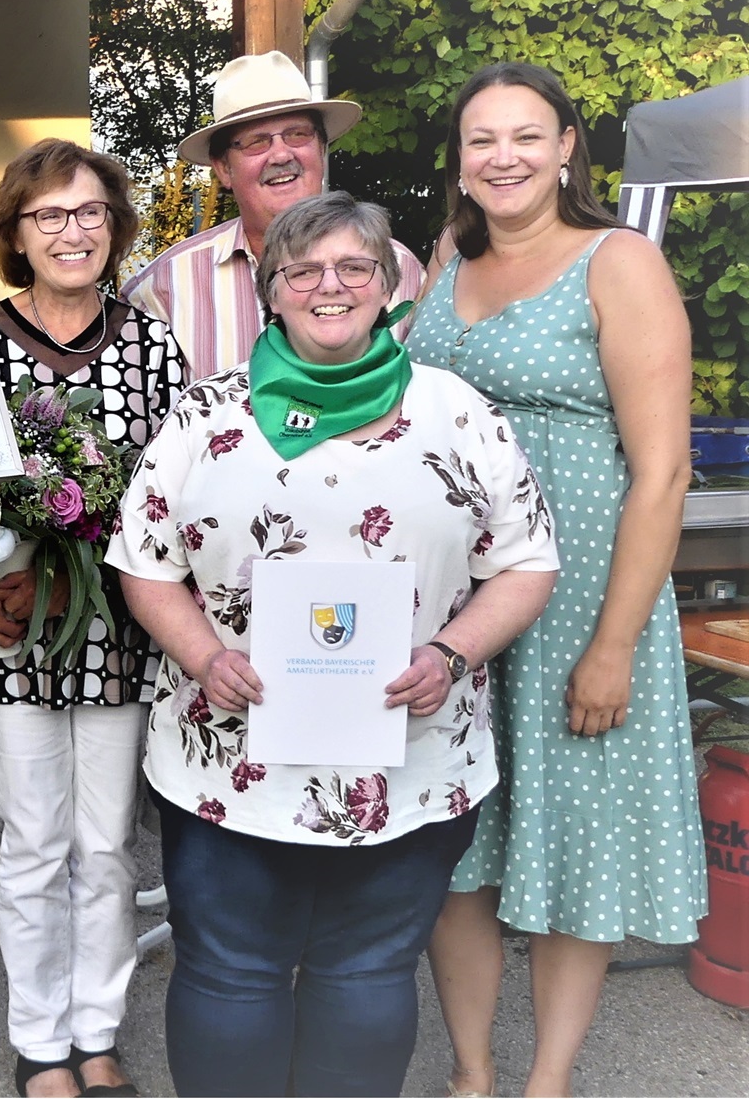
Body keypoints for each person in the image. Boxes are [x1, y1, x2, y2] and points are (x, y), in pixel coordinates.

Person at [107, 192, 560, 1097]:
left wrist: (452, 653)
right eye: (304, 269)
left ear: (389, 286)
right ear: (270, 291)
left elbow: (526, 560)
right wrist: (204, 656)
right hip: (229, 762)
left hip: (408, 758)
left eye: (356, 267)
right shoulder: (206, 414)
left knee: (367, 973)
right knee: (229, 972)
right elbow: (143, 562)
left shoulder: (455, 410)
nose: (330, 286)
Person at [409, 62, 706, 1099]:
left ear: (568, 145)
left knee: (574, 840)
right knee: (457, 844)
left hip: (582, 598)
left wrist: (614, 644)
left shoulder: (616, 262)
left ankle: (545, 1082)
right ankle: (471, 1073)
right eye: (481, 139)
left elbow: (662, 473)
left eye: (526, 136)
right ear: (458, 158)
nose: (504, 157)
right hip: (457, 602)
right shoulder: (445, 258)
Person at [0, 140, 187, 1098]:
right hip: (7, 626)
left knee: (109, 843)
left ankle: (97, 1031)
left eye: (89, 212)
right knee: (34, 837)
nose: (71, 231)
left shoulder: (153, 347)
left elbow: (176, 499)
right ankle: (41, 1041)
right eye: (48, 215)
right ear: (15, 232)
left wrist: (91, 580)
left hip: (115, 628)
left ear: (115, 227)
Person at [123, 50, 425, 376]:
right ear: (223, 168)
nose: (281, 155)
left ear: (321, 149)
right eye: (256, 142)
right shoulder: (163, 290)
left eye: (297, 134)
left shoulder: (402, 270)